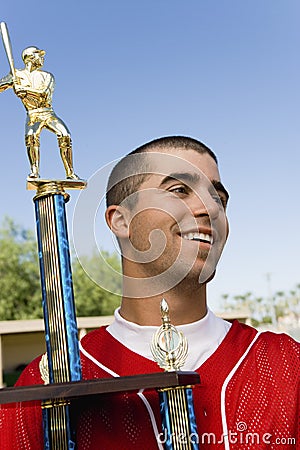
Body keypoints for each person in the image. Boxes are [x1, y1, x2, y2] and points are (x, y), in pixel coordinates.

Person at [0, 136, 299, 449]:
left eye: (219, 199)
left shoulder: (288, 364)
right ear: (121, 220)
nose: (210, 209)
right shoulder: (47, 382)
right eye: (180, 190)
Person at [0, 46, 79, 179]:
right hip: (32, 114)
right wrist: (10, 82)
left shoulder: (47, 76)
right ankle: (34, 171)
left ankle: (70, 172)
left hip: (48, 113)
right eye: (39, 55)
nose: (42, 58)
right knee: (31, 136)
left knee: (65, 135)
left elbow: (44, 94)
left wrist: (25, 90)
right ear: (30, 58)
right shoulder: (16, 74)